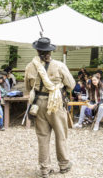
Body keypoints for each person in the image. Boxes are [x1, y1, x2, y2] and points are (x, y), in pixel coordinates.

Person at [24, 37, 75, 178]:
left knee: (42, 136)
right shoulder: (59, 65)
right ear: (50, 51)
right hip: (56, 103)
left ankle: (45, 168)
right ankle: (64, 164)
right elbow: (71, 85)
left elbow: (28, 88)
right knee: (61, 134)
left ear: (37, 50)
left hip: (38, 104)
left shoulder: (30, 66)